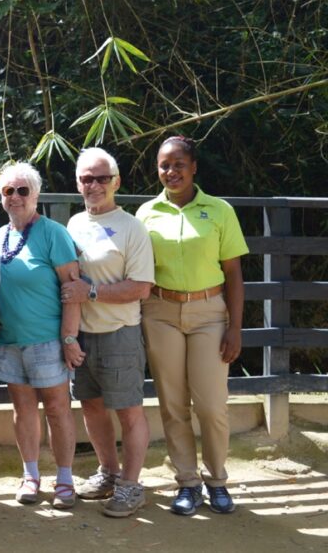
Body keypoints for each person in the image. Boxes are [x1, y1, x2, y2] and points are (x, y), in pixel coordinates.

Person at [136, 135, 248, 516]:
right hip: (160, 312)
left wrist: (235, 327)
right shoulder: (146, 214)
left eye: (179, 164)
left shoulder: (219, 211)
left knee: (212, 405)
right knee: (172, 404)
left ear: (194, 166)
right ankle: (187, 483)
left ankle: (217, 480)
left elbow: (233, 273)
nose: (171, 171)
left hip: (209, 314)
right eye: (164, 165)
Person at [61, 148, 154, 517]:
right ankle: (109, 473)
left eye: (102, 178)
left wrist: (93, 292)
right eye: (87, 178)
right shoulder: (72, 224)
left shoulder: (132, 227)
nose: (94, 185)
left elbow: (141, 287)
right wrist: (69, 334)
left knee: (129, 411)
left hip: (120, 332)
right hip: (82, 334)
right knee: (92, 407)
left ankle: (131, 486)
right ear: (78, 183)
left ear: (116, 181)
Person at [0, 162, 82, 510]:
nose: (15, 197)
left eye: (22, 190)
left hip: (49, 340)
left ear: (36, 195)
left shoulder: (53, 233)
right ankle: (30, 475)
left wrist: (70, 338)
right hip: (11, 340)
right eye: (8, 191)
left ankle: (65, 478)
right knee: (23, 408)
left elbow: (72, 289)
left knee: (58, 409)